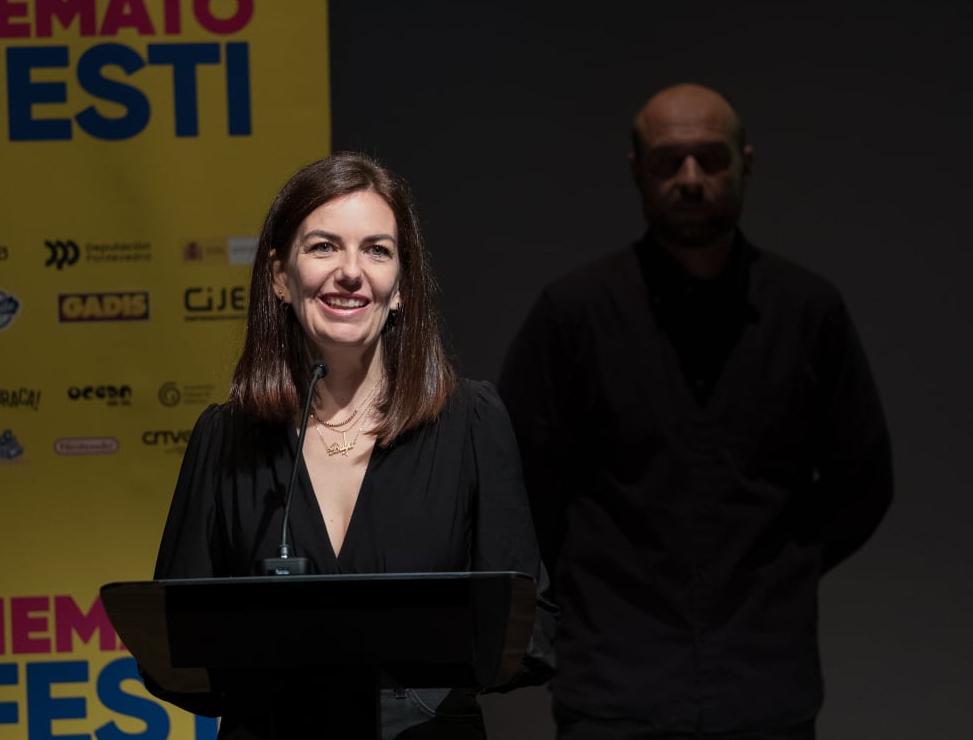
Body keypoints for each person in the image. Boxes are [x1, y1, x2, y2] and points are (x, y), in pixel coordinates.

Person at [498, 84, 893, 739]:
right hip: (614, 689)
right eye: (667, 161)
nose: (689, 178)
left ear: (745, 163)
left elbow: (865, 482)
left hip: (765, 687)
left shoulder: (807, 312)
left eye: (710, 159)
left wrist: (782, 566)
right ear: (636, 172)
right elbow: (520, 491)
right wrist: (588, 584)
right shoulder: (574, 315)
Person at [145, 152, 555, 739]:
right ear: (281, 278)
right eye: (323, 247)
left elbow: (531, 631)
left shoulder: (471, 422)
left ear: (402, 287)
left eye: (377, 250)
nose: (350, 272)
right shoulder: (226, 436)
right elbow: (171, 646)